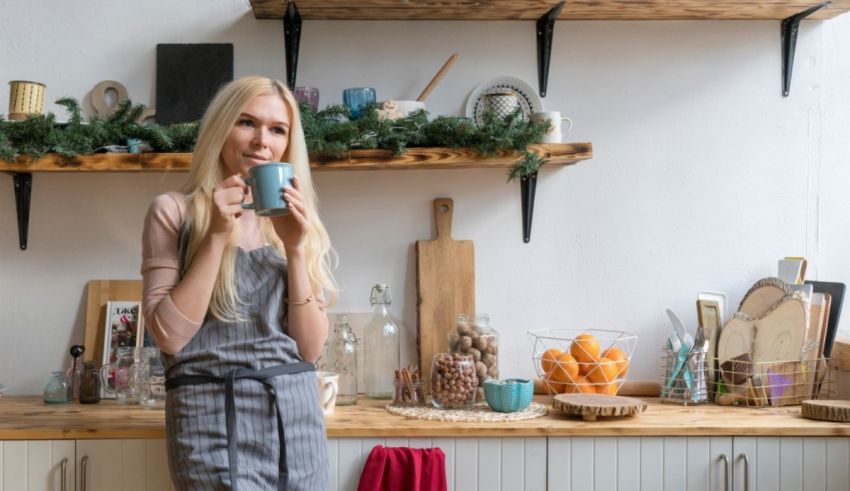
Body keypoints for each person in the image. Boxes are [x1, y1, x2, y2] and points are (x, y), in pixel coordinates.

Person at [141, 75, 337, 490]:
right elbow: (170, 337)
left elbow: (309, 349)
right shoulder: (174, 212)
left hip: (295, 418)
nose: (261, 140)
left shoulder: (298, 223)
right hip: (210, 414)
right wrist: (214, 235)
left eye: (277, 129)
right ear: (221, 127)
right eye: (247, 122)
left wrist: (297, 249)